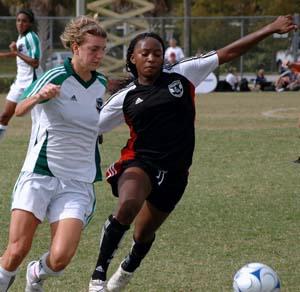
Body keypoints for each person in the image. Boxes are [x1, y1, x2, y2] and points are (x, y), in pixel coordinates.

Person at [88, 15, 297, 292]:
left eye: (157, 53)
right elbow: (90, 126)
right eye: (145, 53)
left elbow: (230, 51)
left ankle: (126, 271)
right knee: (128, 205)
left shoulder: (184, 74)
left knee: (143, 234)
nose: (151, 58)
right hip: (139, 163)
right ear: (132, 58)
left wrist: (270, 28)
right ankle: (98, 276)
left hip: (176, 172)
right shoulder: (125, 97)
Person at [0, 15, 107, 292]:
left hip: (77, 181)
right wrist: (39, 96)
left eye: (102, 49)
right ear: (75, 47)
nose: (99, 55)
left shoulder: (101, 84)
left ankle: (36, 273)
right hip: (40, 172)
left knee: (60, 259)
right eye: (93, 49)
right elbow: (20, 109)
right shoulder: (56, 75)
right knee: (15, 252)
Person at [0, 9, 41, 142]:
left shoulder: (32, 37)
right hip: (20, 82)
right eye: (18, 20)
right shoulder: (21, 37)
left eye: (24, 21)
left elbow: (35, 62)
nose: (20, 24)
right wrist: (5, 55)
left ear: (30, 23)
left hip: (33, 83)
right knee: (4, 117)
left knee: (39, 122)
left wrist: (16, 52)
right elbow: (20, 53)